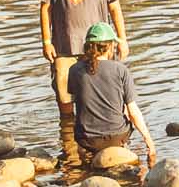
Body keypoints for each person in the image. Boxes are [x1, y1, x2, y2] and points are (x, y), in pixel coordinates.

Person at [39, 0, 127, 118]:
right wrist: (47, 41)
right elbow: (45, 8)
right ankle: (68, 138)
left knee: (102, 94)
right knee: (64, 96)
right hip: (64, 48)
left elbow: (115, 8)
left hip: (99, 48)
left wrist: (122, 40)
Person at [65, 22, 157, 166]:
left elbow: (77, 102)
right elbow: (133, 112)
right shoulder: (120, 70)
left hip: (86, 139)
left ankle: (84, 161)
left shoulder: (74, 70)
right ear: (109, 46)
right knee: (125, 109)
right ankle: (120, 152)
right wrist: (149, 141)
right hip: (116, 137)